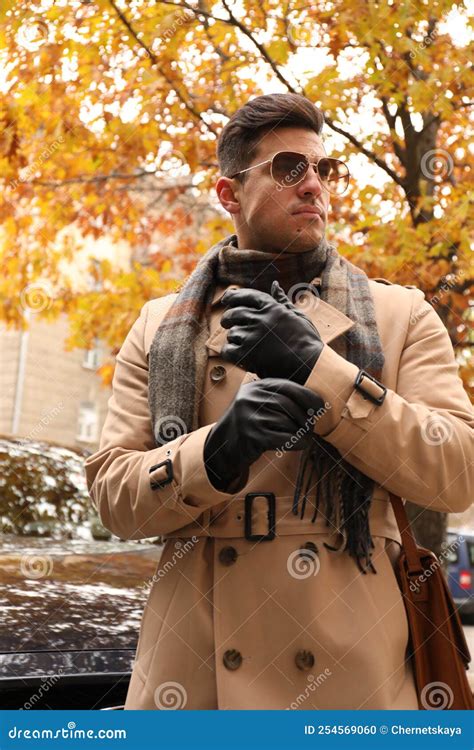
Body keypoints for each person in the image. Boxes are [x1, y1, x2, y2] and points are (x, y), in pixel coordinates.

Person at [85, 93, 473, 710]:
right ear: (229, 194)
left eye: (326, 169)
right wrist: (215, 453)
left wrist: (320, 371)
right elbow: (113, 498)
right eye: (290, 168)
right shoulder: (160, 327)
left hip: (352, 680)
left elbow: (456, 471)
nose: (315, 184)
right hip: (197, 673)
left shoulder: (403, 314)